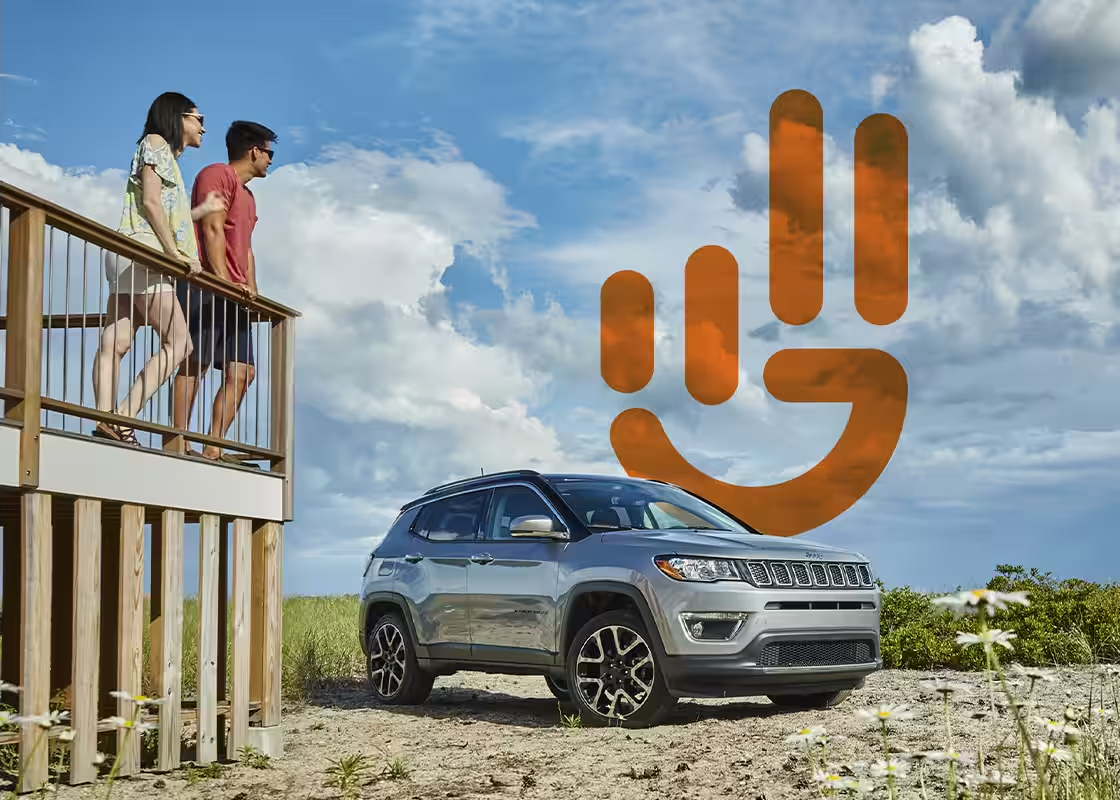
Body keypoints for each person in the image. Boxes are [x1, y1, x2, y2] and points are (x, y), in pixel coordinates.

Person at [91, 92, 227, 445]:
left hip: (127, 249)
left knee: (117, 340)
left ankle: (105, 417)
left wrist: (198, 211)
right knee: (179, 343)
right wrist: (176, 256)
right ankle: (122, 415)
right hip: (147, 254)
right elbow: (152, 202)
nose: (203, 128)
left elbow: (161, 209)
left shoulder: (159, 154)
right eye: (199, 119)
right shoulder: (155, 143)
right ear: (177, 117)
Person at [171, 120, 276, 460]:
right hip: (206, 283)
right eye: (269, 153)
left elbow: (245, 247)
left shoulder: (248, 196)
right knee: (194, 361)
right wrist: (222, 281)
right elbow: (211, 228)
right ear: (254, 151)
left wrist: (253, 291)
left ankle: (213, 448)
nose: (271, 161)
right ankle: (179, 441)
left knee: (243, 370)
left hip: (234, 294)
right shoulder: (216, 174)